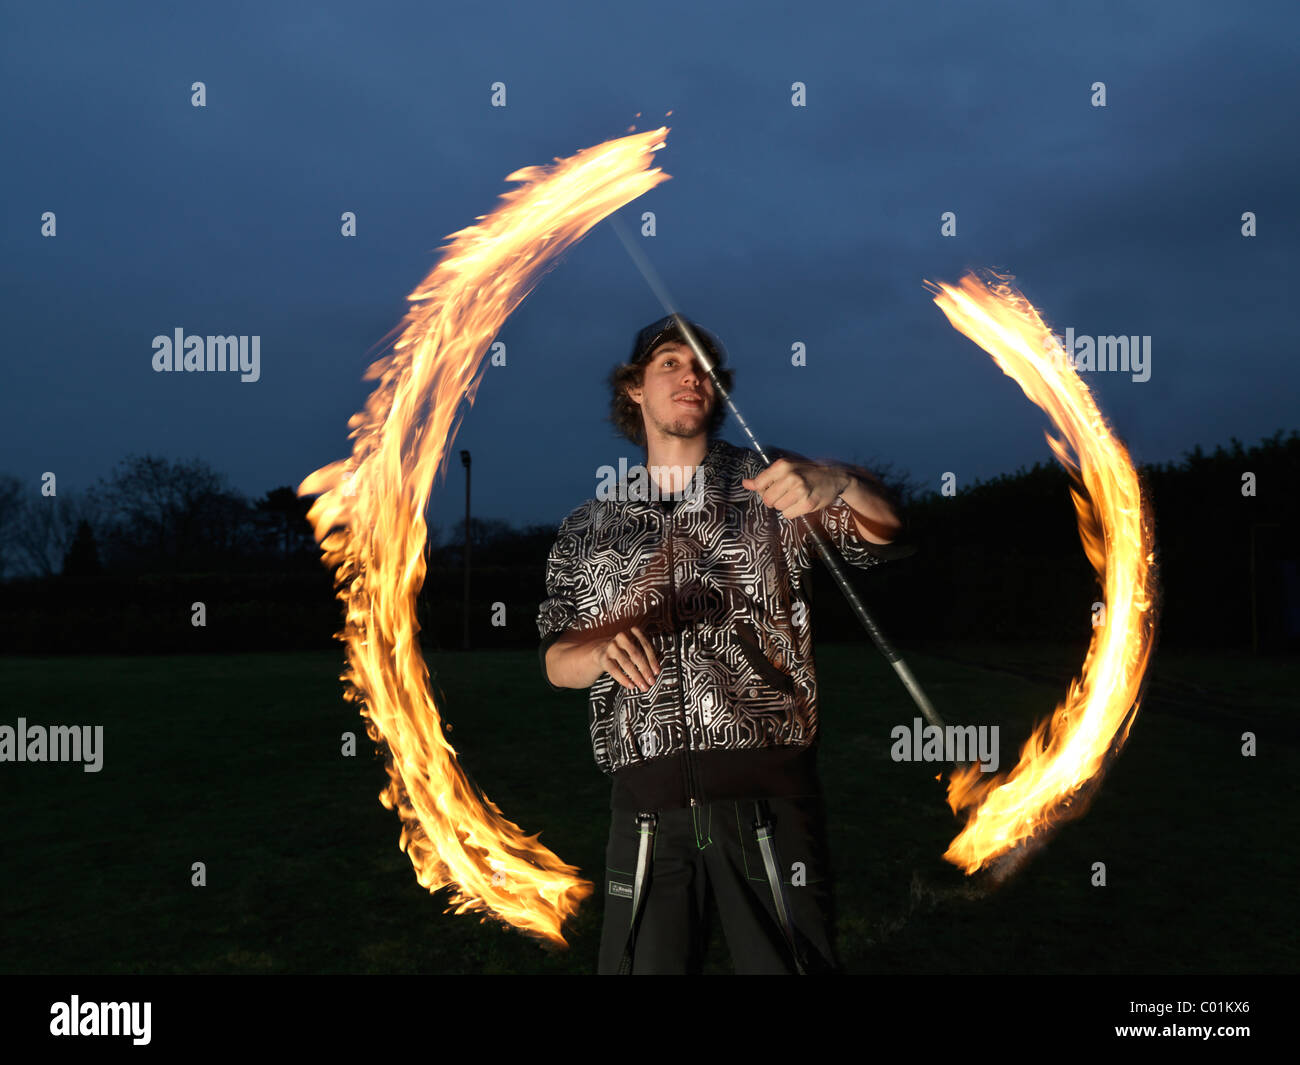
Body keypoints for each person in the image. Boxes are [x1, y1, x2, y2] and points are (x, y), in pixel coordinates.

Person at [536, 314, 909, 974]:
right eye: (671, 363)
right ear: (634, 389)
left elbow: (884, 539)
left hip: (764, 798)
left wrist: (839, 480)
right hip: (646, 811)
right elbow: (556, 661)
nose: (691, 375)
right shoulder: (589, 526)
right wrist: (595, 655)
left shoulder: (773, 485)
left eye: (704, 366)